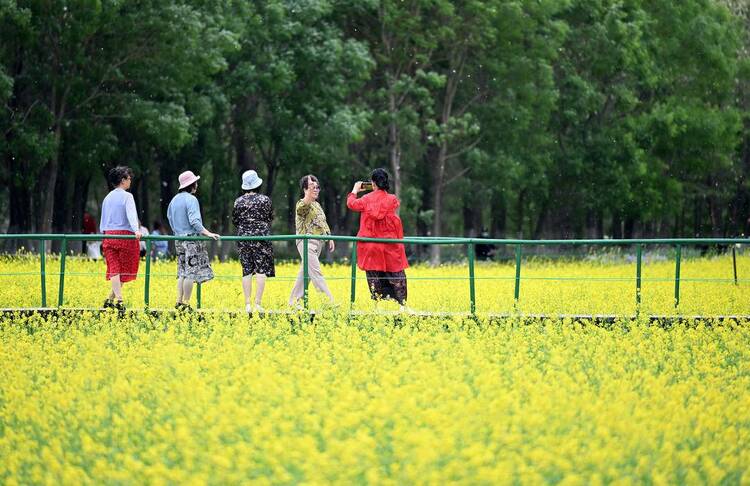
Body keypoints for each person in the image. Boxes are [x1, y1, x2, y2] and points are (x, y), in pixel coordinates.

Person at [346, 168, 409, 308]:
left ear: (373, 183)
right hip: (389, 247)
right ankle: (401, 306)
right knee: (396, 277)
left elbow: (351, 204)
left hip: (371, 247)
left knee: (374, 277)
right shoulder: (392, 199)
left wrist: (355, 190)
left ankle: (378, 307)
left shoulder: (365, 200)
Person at [167, 170, 220, 311]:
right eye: (195, 182)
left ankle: (178, 301)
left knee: (182, 272)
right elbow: (194, 221)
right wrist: (207, 233)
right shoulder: (191, 200)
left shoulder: (173, 200)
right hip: (191, 240)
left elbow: (170, 220)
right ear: (191, 184)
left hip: (178, 239)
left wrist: (178, 232)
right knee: (191, 273)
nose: (197, 185)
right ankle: (186, 303)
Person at [289, 175, 335, 307]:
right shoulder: (302, 203)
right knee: (316, 271)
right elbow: (302, 208)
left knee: (306, 273)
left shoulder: (317, 205)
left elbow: (322, 222)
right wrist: (309, 192)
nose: (316, 189)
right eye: (312, 187)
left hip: (318, 243)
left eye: (317, 187)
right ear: (304, 189)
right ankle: (328, 302)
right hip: (306, 242)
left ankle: (294, 302)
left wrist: (329, 237)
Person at [232, 170, 275, 314]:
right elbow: (269, 218)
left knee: (246, 270)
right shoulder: (265, 200)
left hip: (243, 237)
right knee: (261, 269)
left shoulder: (238, 201)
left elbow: (235, 221)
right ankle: (257, 303)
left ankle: (247, 304)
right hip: (261, 237)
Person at [99, 166, 142, 310]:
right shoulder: (127, 196)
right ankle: (120, 300)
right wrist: (136, 230)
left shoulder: (107, 197)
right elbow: (131, 215)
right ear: (123, 180)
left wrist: (103, 234)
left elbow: (103, 219)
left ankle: (110, 299)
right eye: (129, 178)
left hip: (109, 235)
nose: (130, 180)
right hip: (125, 236)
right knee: (123, 269)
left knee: (114, 268)